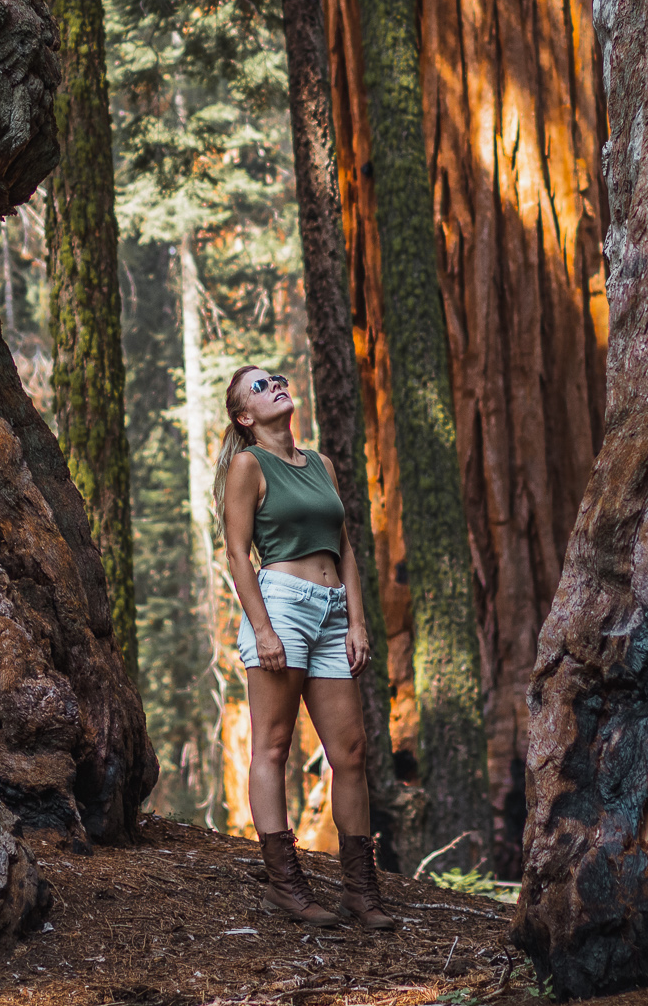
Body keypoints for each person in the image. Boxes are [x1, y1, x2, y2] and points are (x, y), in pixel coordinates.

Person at [215, 364, 396, 930]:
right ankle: (285, 886)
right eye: (260, 387)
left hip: (332, 609)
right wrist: (263, 629)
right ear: (245, 417)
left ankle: (360, 893)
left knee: (351, 753)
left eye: (278, 379)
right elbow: (238, 553)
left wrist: (357, 623)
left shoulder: (321, 464)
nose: (277, 386)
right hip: (283, 605)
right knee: (272, 746)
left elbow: (345, 548)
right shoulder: (249, 466)